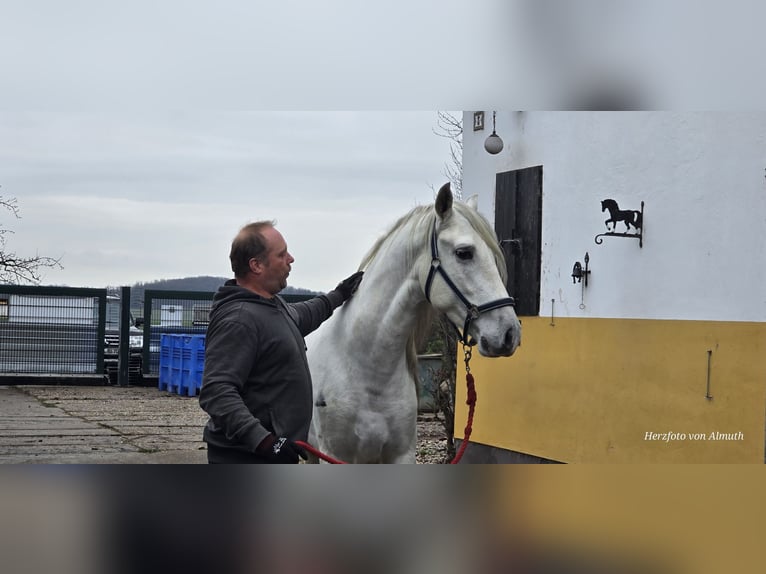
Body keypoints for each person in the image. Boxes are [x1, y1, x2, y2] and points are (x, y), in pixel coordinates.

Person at [199, 220, 363, 464]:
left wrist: (338, 295)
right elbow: (216, 391)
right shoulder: (239, 319)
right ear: (256, 265)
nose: (291, 259)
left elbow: (304, 314)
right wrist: (264, 441)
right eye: (282, 254)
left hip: (274, 454)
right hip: (247, 458)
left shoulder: (271, 306)